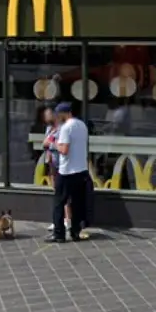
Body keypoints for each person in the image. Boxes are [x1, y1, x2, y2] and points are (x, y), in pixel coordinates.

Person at [49, 103, 91, 243]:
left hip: (67, 171)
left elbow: (64, 150)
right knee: (77, 203)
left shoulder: (66, 128)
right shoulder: (82, 125)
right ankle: (75, 232)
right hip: (81, 170)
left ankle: (59, 234)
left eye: (58, 114)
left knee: (59, 203)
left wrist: (53, 144)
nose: (57, 116)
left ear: (64, 113)